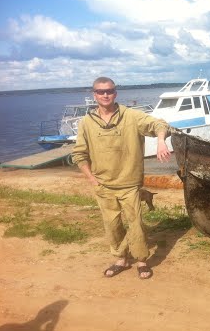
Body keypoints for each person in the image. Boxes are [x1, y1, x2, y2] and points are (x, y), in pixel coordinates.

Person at [72, 76, 171, 280]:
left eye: (109, 91)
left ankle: (142, 260)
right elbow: (79, 154)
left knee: (136, 224)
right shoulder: (86, 122)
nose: (105, 95)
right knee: (112, 225)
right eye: (101, 91)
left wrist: (161, 141)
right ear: (94, 95)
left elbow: (159, 124)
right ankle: (120, 259)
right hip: (103, 185)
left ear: (115, 93)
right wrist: (91, 178)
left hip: (129, 184)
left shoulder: (132, 116)